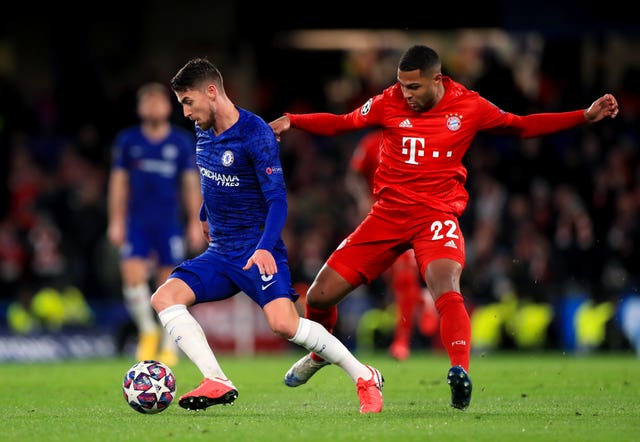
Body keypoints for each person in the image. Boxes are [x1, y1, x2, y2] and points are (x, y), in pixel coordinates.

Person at [269, 44, 619, 410]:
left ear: (437, 79)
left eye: (414, 87)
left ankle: (459, 372)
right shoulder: (389, 101)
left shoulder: (469, 106)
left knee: (445, 286)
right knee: (320, 296)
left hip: (436, 217)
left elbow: (523, 125)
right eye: (402, 86)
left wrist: (584, 115)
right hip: (387, 216)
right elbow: (343, 123)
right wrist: (295, 120)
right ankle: (322, 353)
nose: (406, 94)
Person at [149, 57, 384, 414]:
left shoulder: (255, 134)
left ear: (211, 92)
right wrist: (203, 213)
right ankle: (216, 379)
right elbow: (210, 177)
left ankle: (363, 374)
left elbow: (277, 201)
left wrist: (263, 249)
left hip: (257, 249)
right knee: (164, 298)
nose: (185, 112)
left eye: (187, 101)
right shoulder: (202, 129)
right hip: (220, 251)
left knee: (283, 324)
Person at [107, 82, 205, 366]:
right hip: (137, 221)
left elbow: (190, 184)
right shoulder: (128, 141)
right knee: (132, 276)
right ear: (139, 108)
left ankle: (168, 343)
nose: (152, 107)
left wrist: (194, 221)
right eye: (147, 102)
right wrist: (116, 220)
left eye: (157, 101)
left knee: (167, 283)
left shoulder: (180, 142)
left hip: (168, 222)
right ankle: (147, 331)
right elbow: (119, 183)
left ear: (167, 106)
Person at [346, 129, 438, 361]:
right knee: (391, 278)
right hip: (377, 220)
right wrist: (361, 199)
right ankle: (421, 299)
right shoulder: (371, 143)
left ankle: (401, 342)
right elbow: (353, 176)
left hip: (405, 218)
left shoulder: (414, 141)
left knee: (403, 278)